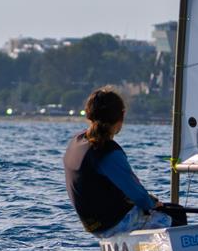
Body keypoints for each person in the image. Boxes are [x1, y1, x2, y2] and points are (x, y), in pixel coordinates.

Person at [63, 87, 176, 237]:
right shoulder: (106, 151)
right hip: (114, 224)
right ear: (121, 116)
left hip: (95, 227)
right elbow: (139, 195)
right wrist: (152, 203)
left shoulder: (76, 142)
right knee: (175, 217)